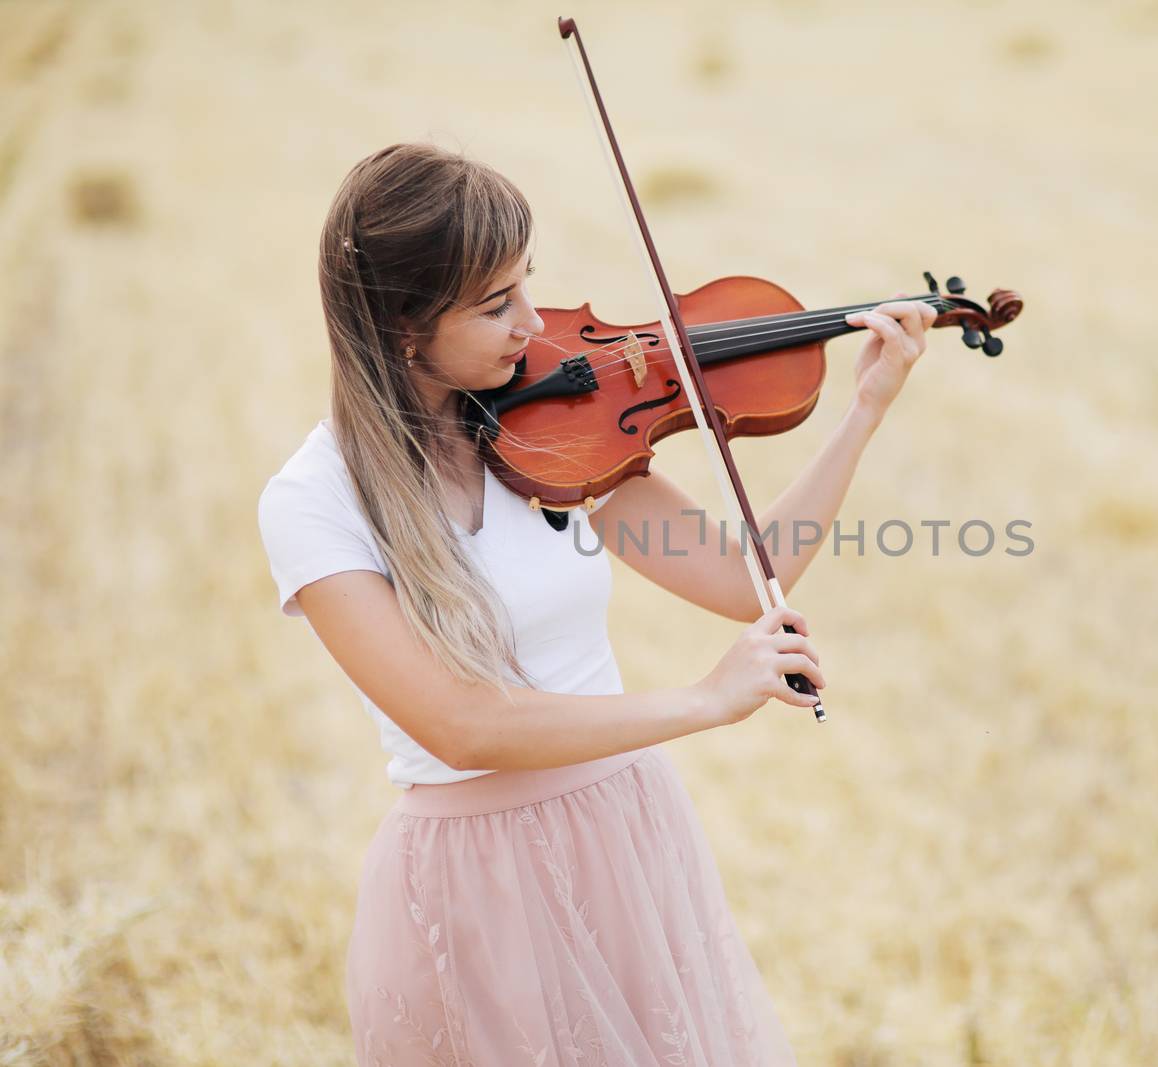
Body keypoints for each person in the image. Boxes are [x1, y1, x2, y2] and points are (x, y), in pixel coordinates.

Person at [257, 141, 934, 1066]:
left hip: (625, 835)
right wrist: (703, 700)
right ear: (404, 326)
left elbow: (745, 574)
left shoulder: (553, 436)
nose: (533, 325)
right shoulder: (315, 500)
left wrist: (864, 412)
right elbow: (463, 728)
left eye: (527, 286)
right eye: (497, 305)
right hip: (475, 881)